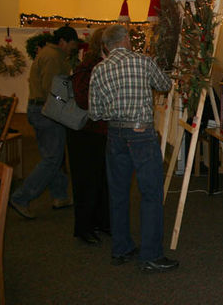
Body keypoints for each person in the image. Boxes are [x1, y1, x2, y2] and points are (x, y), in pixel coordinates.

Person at [89, 24, 178, 273]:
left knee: (118, 194)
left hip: (114, 135)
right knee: (150, 194)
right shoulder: (143, 61)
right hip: (141, 134)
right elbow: (165, 85)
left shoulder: (99, 70)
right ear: (127, 39)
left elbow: (95, 113)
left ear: (106, 46)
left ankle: (121, 248)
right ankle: (150, 255)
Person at [10, 25, 79, 219]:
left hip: (39, 110)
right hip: (47, 112)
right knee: (52, 159)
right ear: (63, 41)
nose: (73, 48)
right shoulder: (53, 57)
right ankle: (21, 197)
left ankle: (60, 196)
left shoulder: (50, 54)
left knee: (52, 156)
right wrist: (68, 106)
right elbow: (52, 88)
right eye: (72, 44)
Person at [66, 27, 110, 245]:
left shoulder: (97, 65)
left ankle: (100, 222)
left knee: (101, 180)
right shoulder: (89, 67)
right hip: (85, 133)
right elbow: (83, 99)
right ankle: (84, 227)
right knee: (86, 182)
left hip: (98, 133)